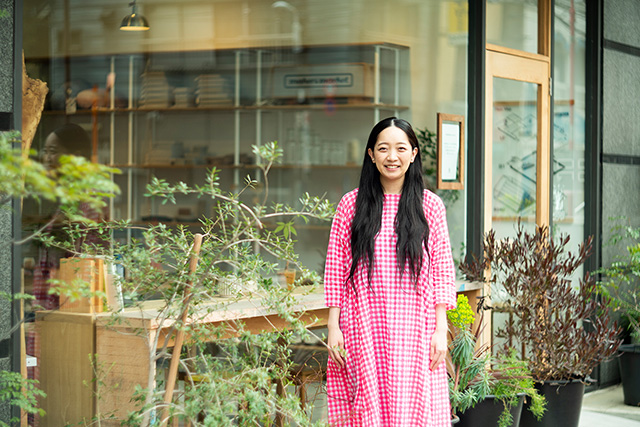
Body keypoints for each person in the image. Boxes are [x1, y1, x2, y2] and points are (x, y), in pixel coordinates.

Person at [324, 117, 457, 426]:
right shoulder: (350, 205)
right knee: (367, 409)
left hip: (416, 330)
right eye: (383, 148)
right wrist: (333, 327)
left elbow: (442, 271)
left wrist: (440, 330)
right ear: (371, 154)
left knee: (415, 409)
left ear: (414, 153)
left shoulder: (430, 206)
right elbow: (335, 269)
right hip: (363, 327)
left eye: (400, 148)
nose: (391, 157)